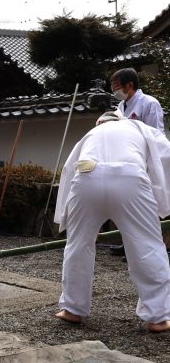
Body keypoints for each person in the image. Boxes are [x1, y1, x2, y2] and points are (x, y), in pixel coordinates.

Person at [54, 111, 170, 333]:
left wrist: (65, 216)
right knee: (147, 245)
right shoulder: (138, 127)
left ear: (101, 122)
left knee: (78, 244)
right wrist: (161, 200)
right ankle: (158, 317)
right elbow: (165, 155)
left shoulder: (91, 133)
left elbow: (69, 169)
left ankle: (72, 309)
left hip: (86, 175)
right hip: (130, 177)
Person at [110, 67, 165, 256]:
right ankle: (128, 246)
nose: (114, 91)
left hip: (146, 162)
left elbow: (156, 135)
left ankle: (145, 250)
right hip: (127, 162)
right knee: (128, 206)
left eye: (116, 87)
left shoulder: (150, 103)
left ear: (130, 85)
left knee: (147, 207)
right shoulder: (120, 107)